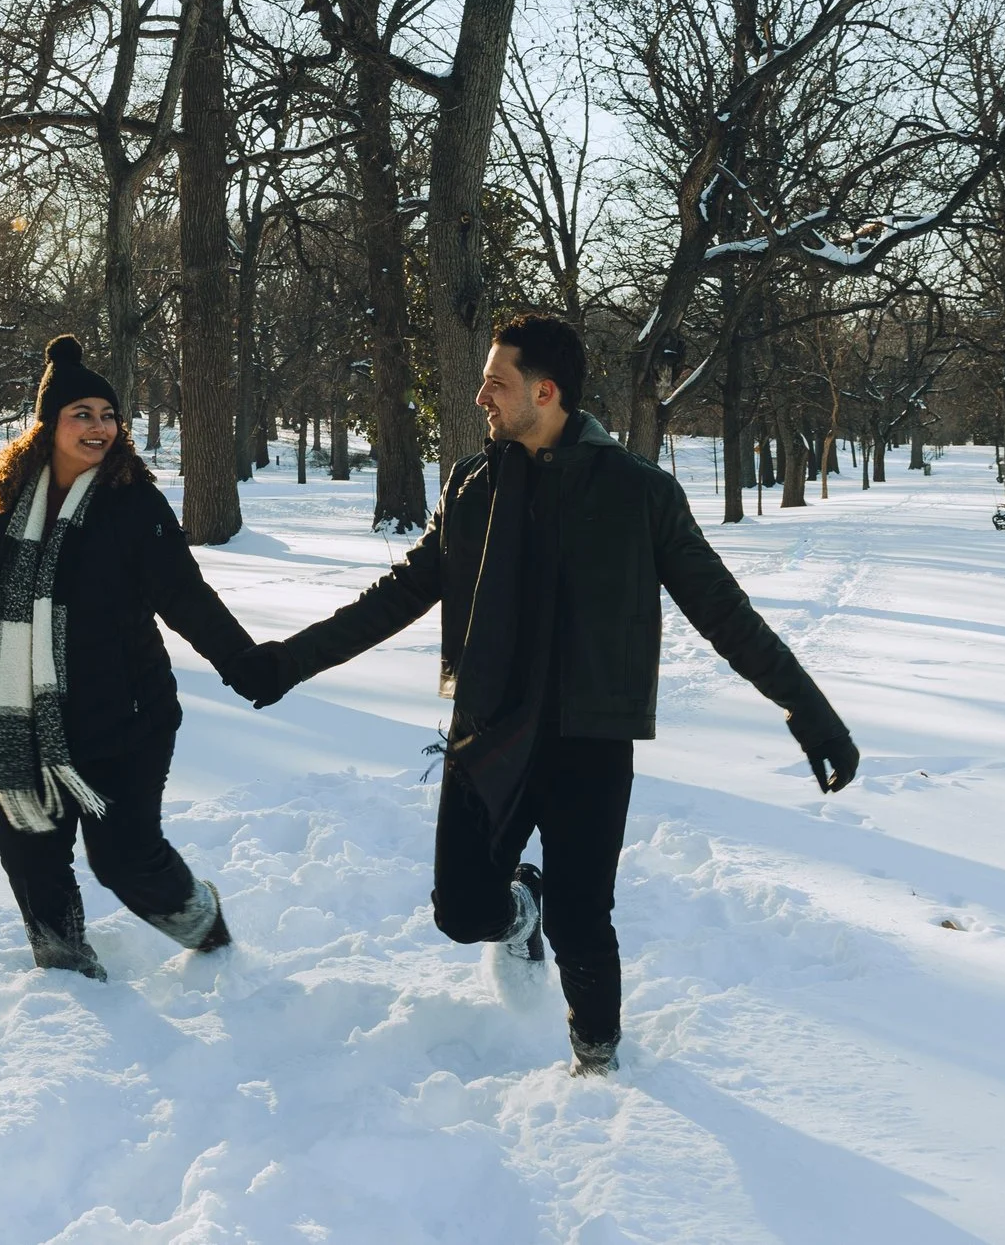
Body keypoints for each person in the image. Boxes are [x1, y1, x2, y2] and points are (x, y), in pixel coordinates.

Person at [223, 312, 859, 1076]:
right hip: (488, 730)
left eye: (497, 382)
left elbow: (727, 614)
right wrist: (285, 663)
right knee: (462, 911)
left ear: (546, 391)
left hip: (588, 739)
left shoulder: (637, 494)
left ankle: (598, 1068)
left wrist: (811, 714)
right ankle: (521, 906)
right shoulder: (471, 485)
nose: (481, 395)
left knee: (584, 920)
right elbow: (399, 594)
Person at [0, 334, 257, 980]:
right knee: (26, 848)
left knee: (123, 858)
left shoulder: (133, 506)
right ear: (49, 424)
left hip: (125, 720)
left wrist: (247, 664)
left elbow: (188, 599)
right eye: (82, 414)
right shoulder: (6, 507)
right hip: (26, 727)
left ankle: (204, 924)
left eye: (107, 415)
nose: (99, 428)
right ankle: (67, 968)